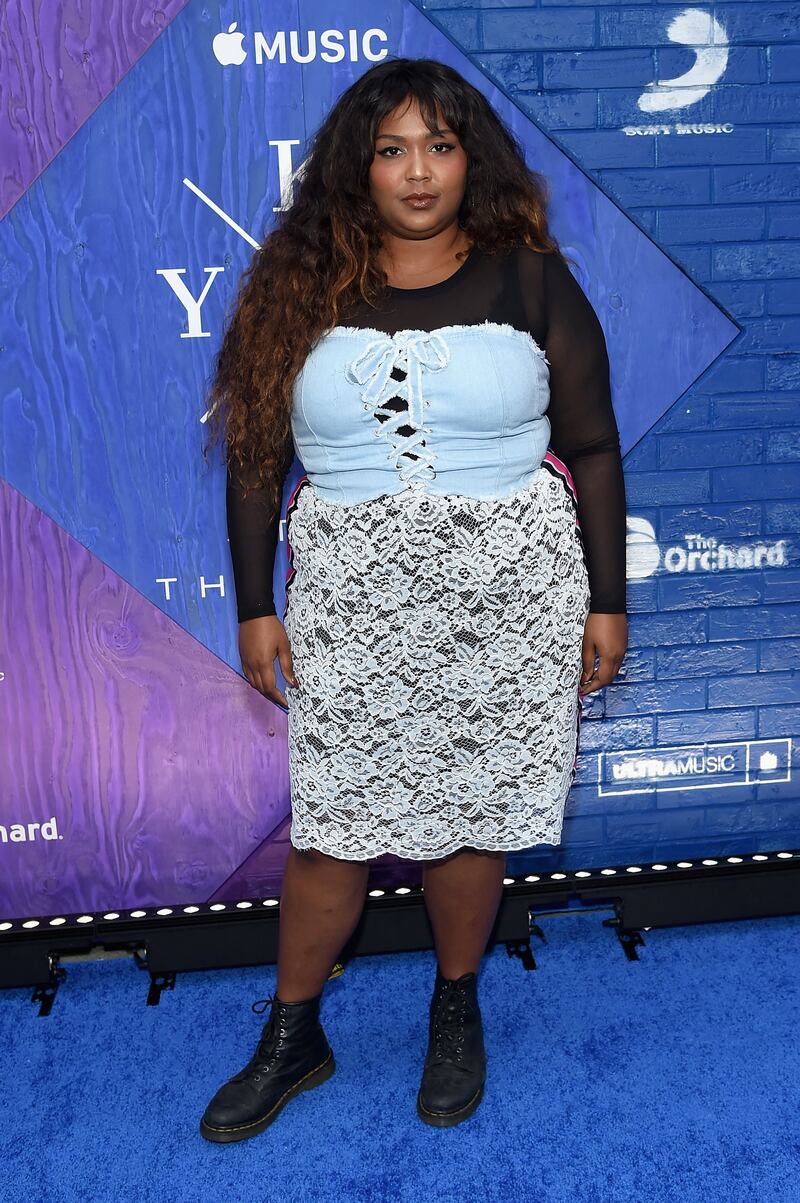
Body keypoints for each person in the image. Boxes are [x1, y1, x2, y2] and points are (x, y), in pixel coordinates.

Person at [199, 57, 628, 1142]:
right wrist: (256, 605)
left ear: (468, 157)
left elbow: (590, 443)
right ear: (357, 166)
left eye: (438, 145)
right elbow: (256, 459)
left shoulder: (529, 277)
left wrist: (605, 602)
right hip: (351, 601)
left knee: (467, 819)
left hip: (512, 596)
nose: (418, 171)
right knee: (332, 832)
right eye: (391, 149)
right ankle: (294, 1033)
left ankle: (455, 1006)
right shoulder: (295, 287)